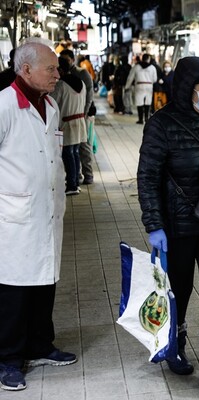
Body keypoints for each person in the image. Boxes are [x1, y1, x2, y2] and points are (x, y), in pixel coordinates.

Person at [137, 56, 199, 388]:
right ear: (185, 88)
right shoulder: (161, 124)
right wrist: (154, 225)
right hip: (177, 225)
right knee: (179, 290)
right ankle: (175, 347)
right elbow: (147, 177)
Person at [0, 39, 77, 392]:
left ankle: (40, 345)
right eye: (51, 69)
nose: (57, 75)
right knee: (14, 291)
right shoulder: (4, 105)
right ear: (26, 69)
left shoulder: (50, 105)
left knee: (44, 282)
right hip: (13, 216)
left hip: (46, 211)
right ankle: (8, 359)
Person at [51, 56, 87, 196]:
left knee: (68, 154)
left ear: (60, 69)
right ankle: (76, 181)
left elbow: (52, 102)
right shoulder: (81, 83)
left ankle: (72, 185)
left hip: (67, 123)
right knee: (75, 153)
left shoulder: (61, 85)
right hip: (79, 122)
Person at [59, 49, 94, 185]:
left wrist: (83, 113)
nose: (65, 62)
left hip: (81, 114)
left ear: (73, 60)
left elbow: (89, 95)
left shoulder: (81, 73)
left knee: (83, 146)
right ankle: (76, 176)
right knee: (72, 149)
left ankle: (88, 174)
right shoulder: (61, 77)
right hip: (72, 116)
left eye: (67, 60)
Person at [126, 53, 157, 124]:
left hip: (139, 86)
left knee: (139, 102)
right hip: (149, 86)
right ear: (148, 59)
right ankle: (146, 118)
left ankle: (140, 119)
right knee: (148, 102)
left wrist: (127, 86)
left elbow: (130, 78)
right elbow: (155, 79)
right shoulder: (152, 68)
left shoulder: (136, 67)